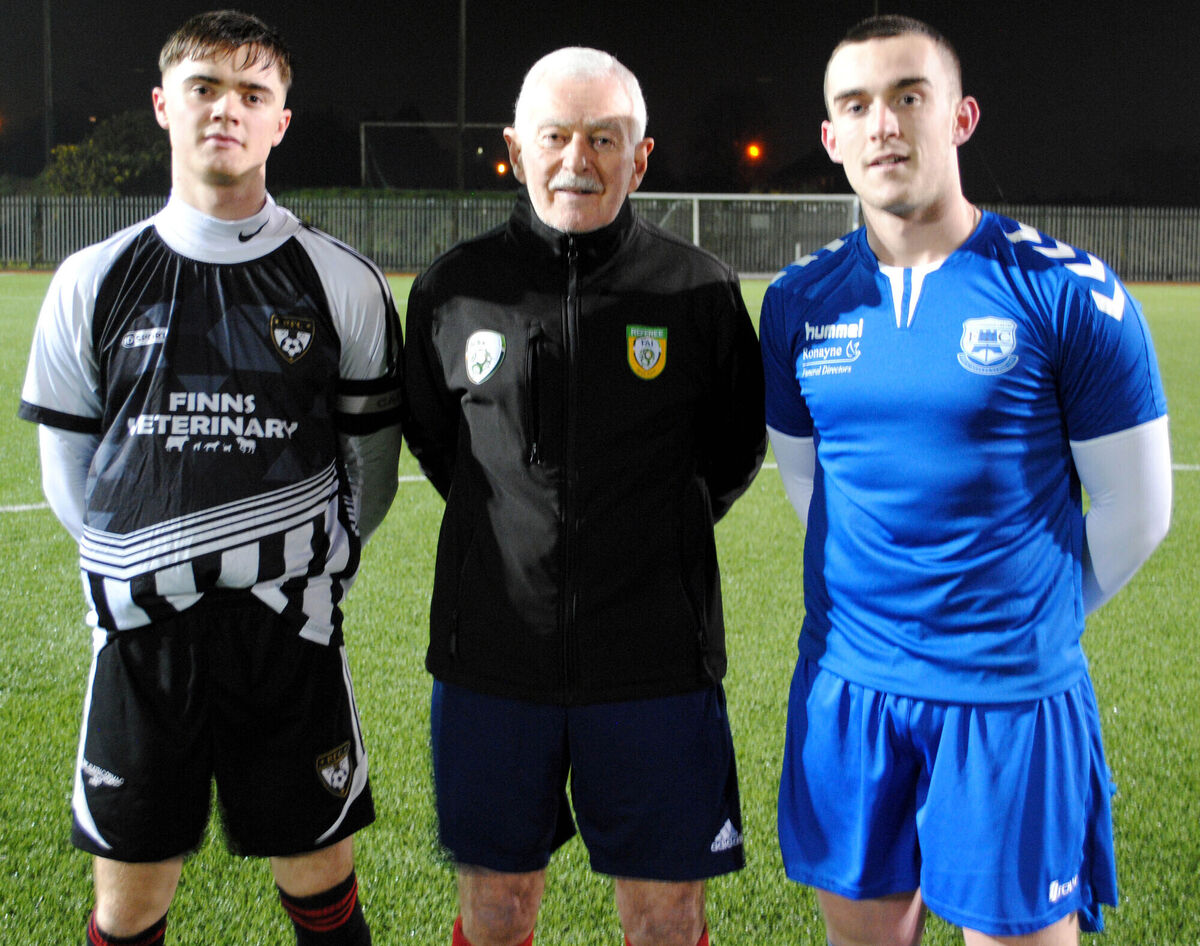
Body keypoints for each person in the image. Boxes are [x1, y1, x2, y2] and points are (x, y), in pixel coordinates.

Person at [761, 14, 1172, 946]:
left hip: (1009, 700)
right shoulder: (798, 304)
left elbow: (1139, 510)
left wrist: (1021, 621)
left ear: (960, 117)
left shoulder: (1070, 292)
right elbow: (809, 486)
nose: (883, 125)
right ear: (831, 137)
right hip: (851, 689)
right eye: (855, 105)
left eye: (910, 96)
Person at [18, 11, 402, 946]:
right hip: (144, 639)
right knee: (130, 897)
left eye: (252, 93)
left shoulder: (340, 280)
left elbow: (373, 467)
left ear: (280, 121)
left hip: (288, 629)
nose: (226, 109)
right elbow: (68, 468)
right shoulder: (92, 277)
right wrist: (145, 555)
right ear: (163, 106)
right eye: (204, 88)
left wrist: (313, 559)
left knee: (317, 874)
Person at [403, 46, 765, 946]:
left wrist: (645, 535)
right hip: (494, 659)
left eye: (605, 138)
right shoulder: (454, 288)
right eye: (556, 136)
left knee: (667, 915)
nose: (578, 160)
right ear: (516, 150)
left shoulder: (701, 292)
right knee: (496, 907)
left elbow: (730, 452)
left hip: (654, 667)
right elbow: (443, 448)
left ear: (640, 158)